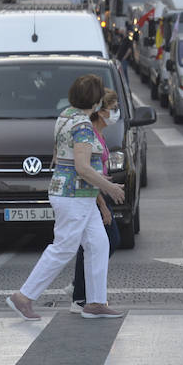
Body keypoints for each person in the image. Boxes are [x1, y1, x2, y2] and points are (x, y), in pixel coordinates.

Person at [8, 73, 126, 320]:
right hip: (75, 195)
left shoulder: (65, 116)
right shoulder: (82, 125)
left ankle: (95, 302)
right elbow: (82, 167)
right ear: (94, 102)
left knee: (99, 243)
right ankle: (24, 296)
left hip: (72, 192)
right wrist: (109, 187)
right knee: (64, 247)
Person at [70, 89, 122, 313]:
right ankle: (82, 295)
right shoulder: (89, 134)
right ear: (101, 112)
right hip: (91, 196)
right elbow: (87, 171)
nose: (116, 113)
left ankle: (86, 295)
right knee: (100, 243)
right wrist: (102, 205)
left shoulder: (98, 134)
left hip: (95, 194)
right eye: (114, 109)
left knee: (98, 244)